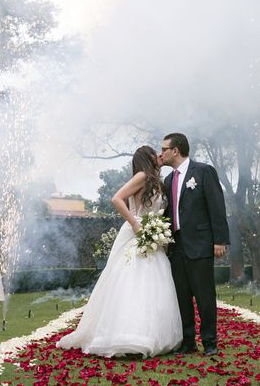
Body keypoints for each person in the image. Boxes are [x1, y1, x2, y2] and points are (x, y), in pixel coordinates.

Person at [56, 145, 182, 357]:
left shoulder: (156, 180)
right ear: (147, 158)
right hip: (137, 232)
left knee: (154, 282)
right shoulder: (142, 175)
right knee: (131, 277)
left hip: (153, 235)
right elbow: (116, 198)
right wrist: (134, 223)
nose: (159, 155)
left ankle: (152, 333)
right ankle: (127, 334)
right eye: (155, 152)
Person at [160, 133, 229, 356]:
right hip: (176, 247)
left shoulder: (203, 171)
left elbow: (217, 206)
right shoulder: (168, 180)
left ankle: (210, 343)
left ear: (176, 150)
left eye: (164, 149)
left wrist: (219, 240)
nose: (161, 153)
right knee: (182, 297)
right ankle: (188, 342)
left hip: (201, 244)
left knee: (204, 296)